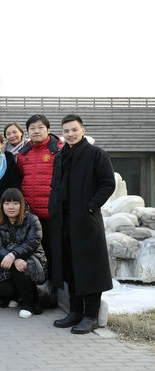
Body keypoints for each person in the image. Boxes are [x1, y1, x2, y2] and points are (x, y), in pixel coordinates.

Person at [49, 114, 115, 334]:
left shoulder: (96, 154)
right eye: (66, 131)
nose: (70, 134)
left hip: (86, 221)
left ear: (82, 130)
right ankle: (76, 311)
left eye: (74, 130)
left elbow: (107, 184)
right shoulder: (60, 157)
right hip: (64, 222)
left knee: (90, 269)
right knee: (70, 267)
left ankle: (90, 316)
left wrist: (90, 206)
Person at [17, 114, 63, 281]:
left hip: (52, 214)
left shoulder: (58, 150)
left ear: (48, 130)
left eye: (40, 127)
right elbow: (21, 178)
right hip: (30, 216)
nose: (36, 131)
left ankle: (54, 291)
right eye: (32, 128)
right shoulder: (23, 154)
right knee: (32, 256)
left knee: (53, 254)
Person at [0, 188, 46, 318]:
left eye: (15, 203)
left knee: (20, 267)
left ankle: (28, 304)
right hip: (11, 259)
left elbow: (32, 243)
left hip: (33, 260)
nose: (11, 207)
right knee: (0, 287)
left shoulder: (32, 219)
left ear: (21, 204)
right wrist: (13, 257)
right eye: (7, 203)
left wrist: (13, 255)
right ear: (2, 205)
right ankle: (18, 297)